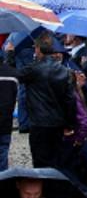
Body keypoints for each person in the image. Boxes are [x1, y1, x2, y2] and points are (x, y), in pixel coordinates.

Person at [3, 34, 75, 171]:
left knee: (40, 161)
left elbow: (14, 74)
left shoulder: (34, 69)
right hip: (58, 122)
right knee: (56, 160)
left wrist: (10, 54)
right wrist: (70, 124)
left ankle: (44, 189)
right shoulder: (65, 71)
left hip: (39, 122)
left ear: (38, 49)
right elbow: (69, 100)